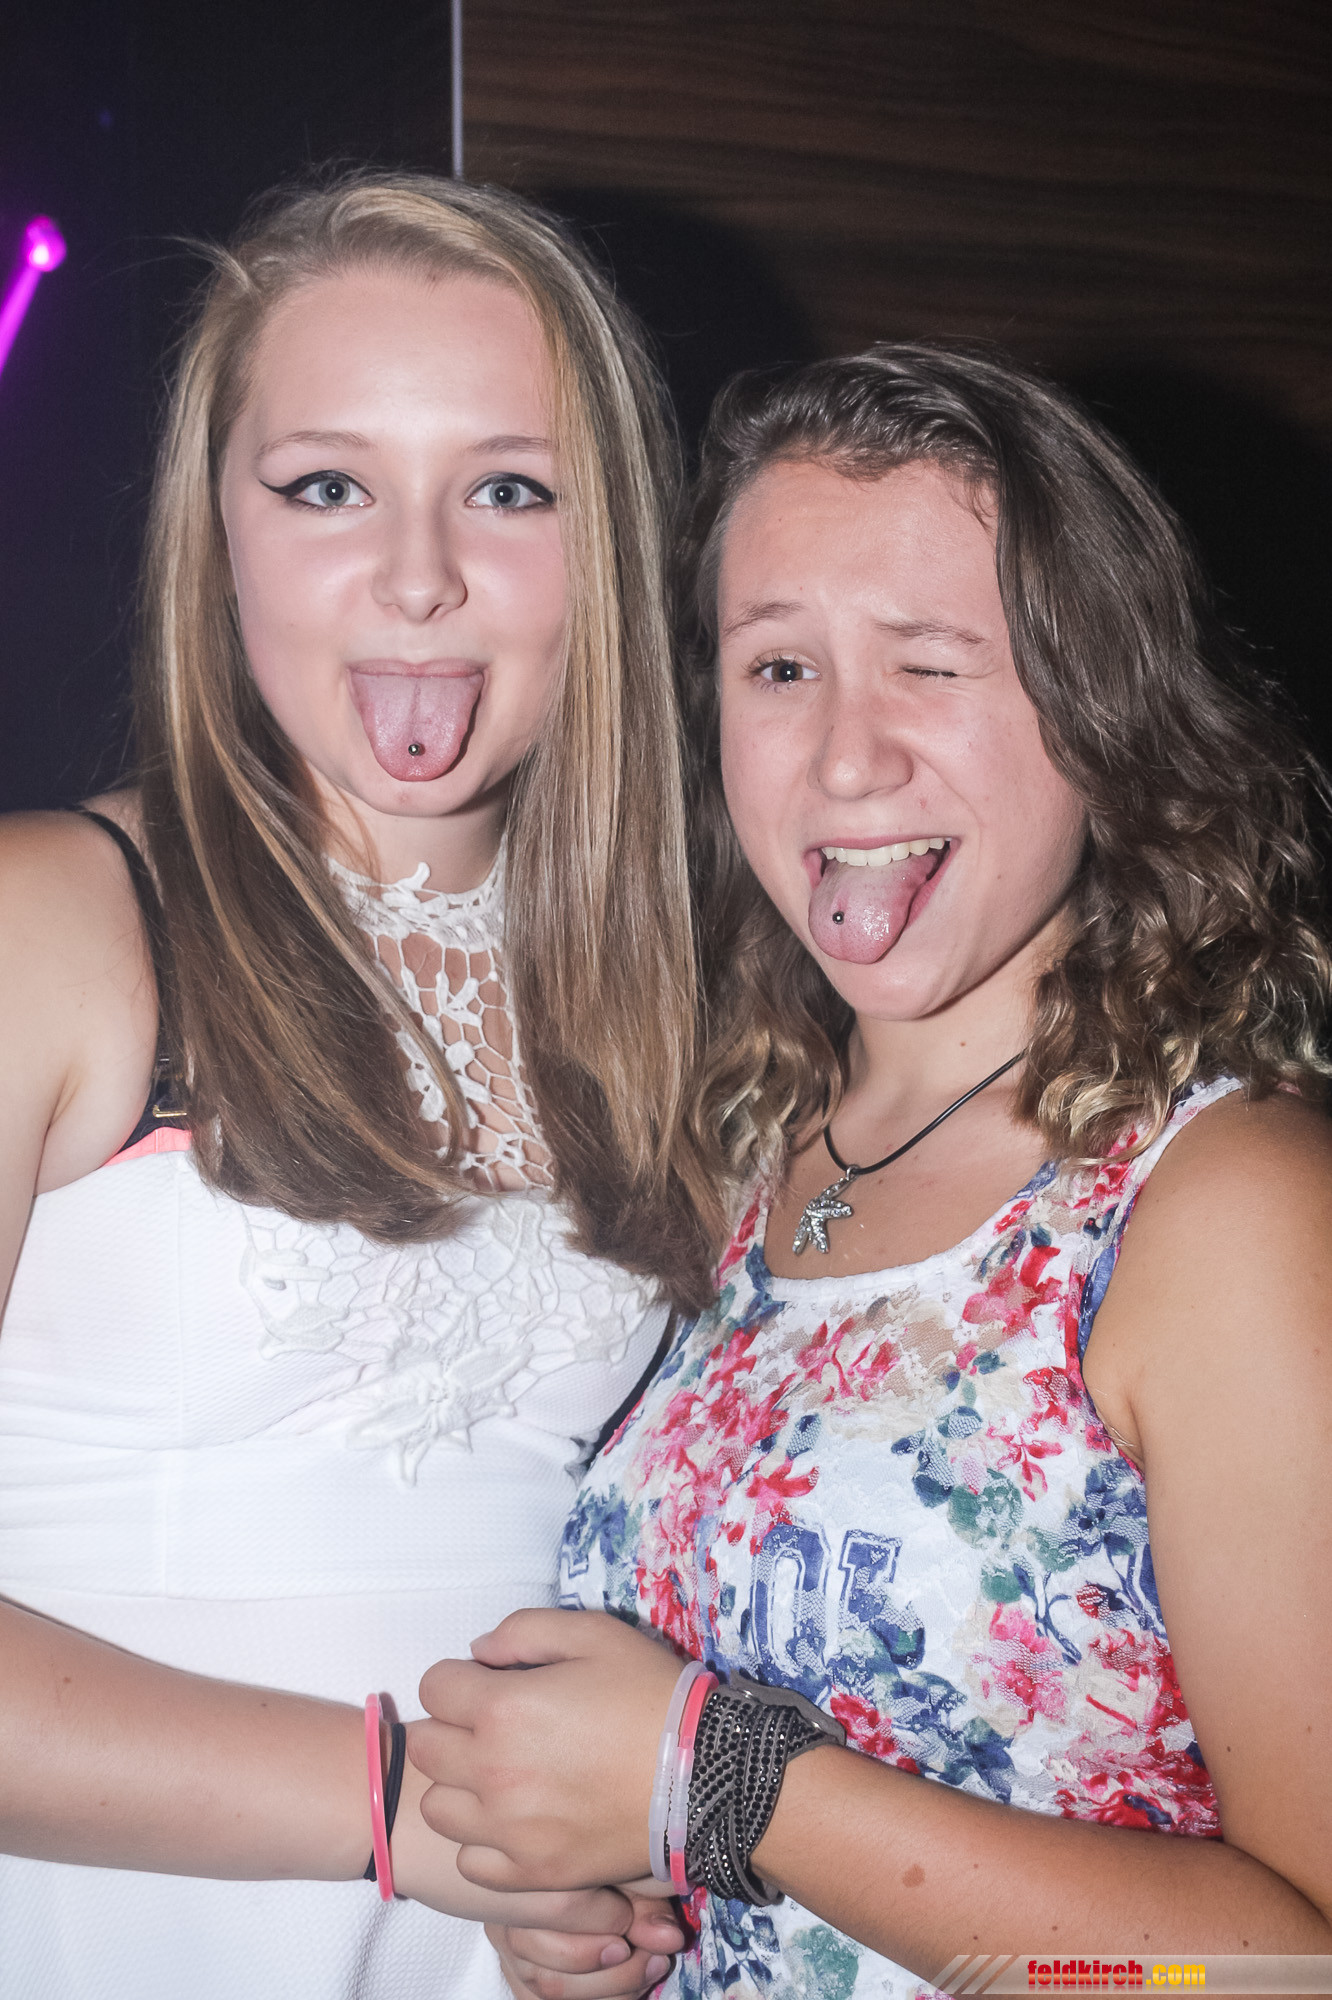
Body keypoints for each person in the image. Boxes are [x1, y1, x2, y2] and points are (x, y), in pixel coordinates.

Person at [411, 344, 1332, 1996]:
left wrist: (728, 1787)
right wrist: (590, 1888)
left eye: (932, 662)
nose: (845, 758)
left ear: (1105, 709)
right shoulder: (728, 1152)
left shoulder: (1226, 1210)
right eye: (779, 667)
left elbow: (1292, 1973)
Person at [0, 169, 707, 1998]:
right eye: (328, 486)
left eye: (509, 488)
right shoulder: (52, 920)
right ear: (215, 535)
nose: (416, 573)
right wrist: (407, 1809)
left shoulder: (681, 1002)